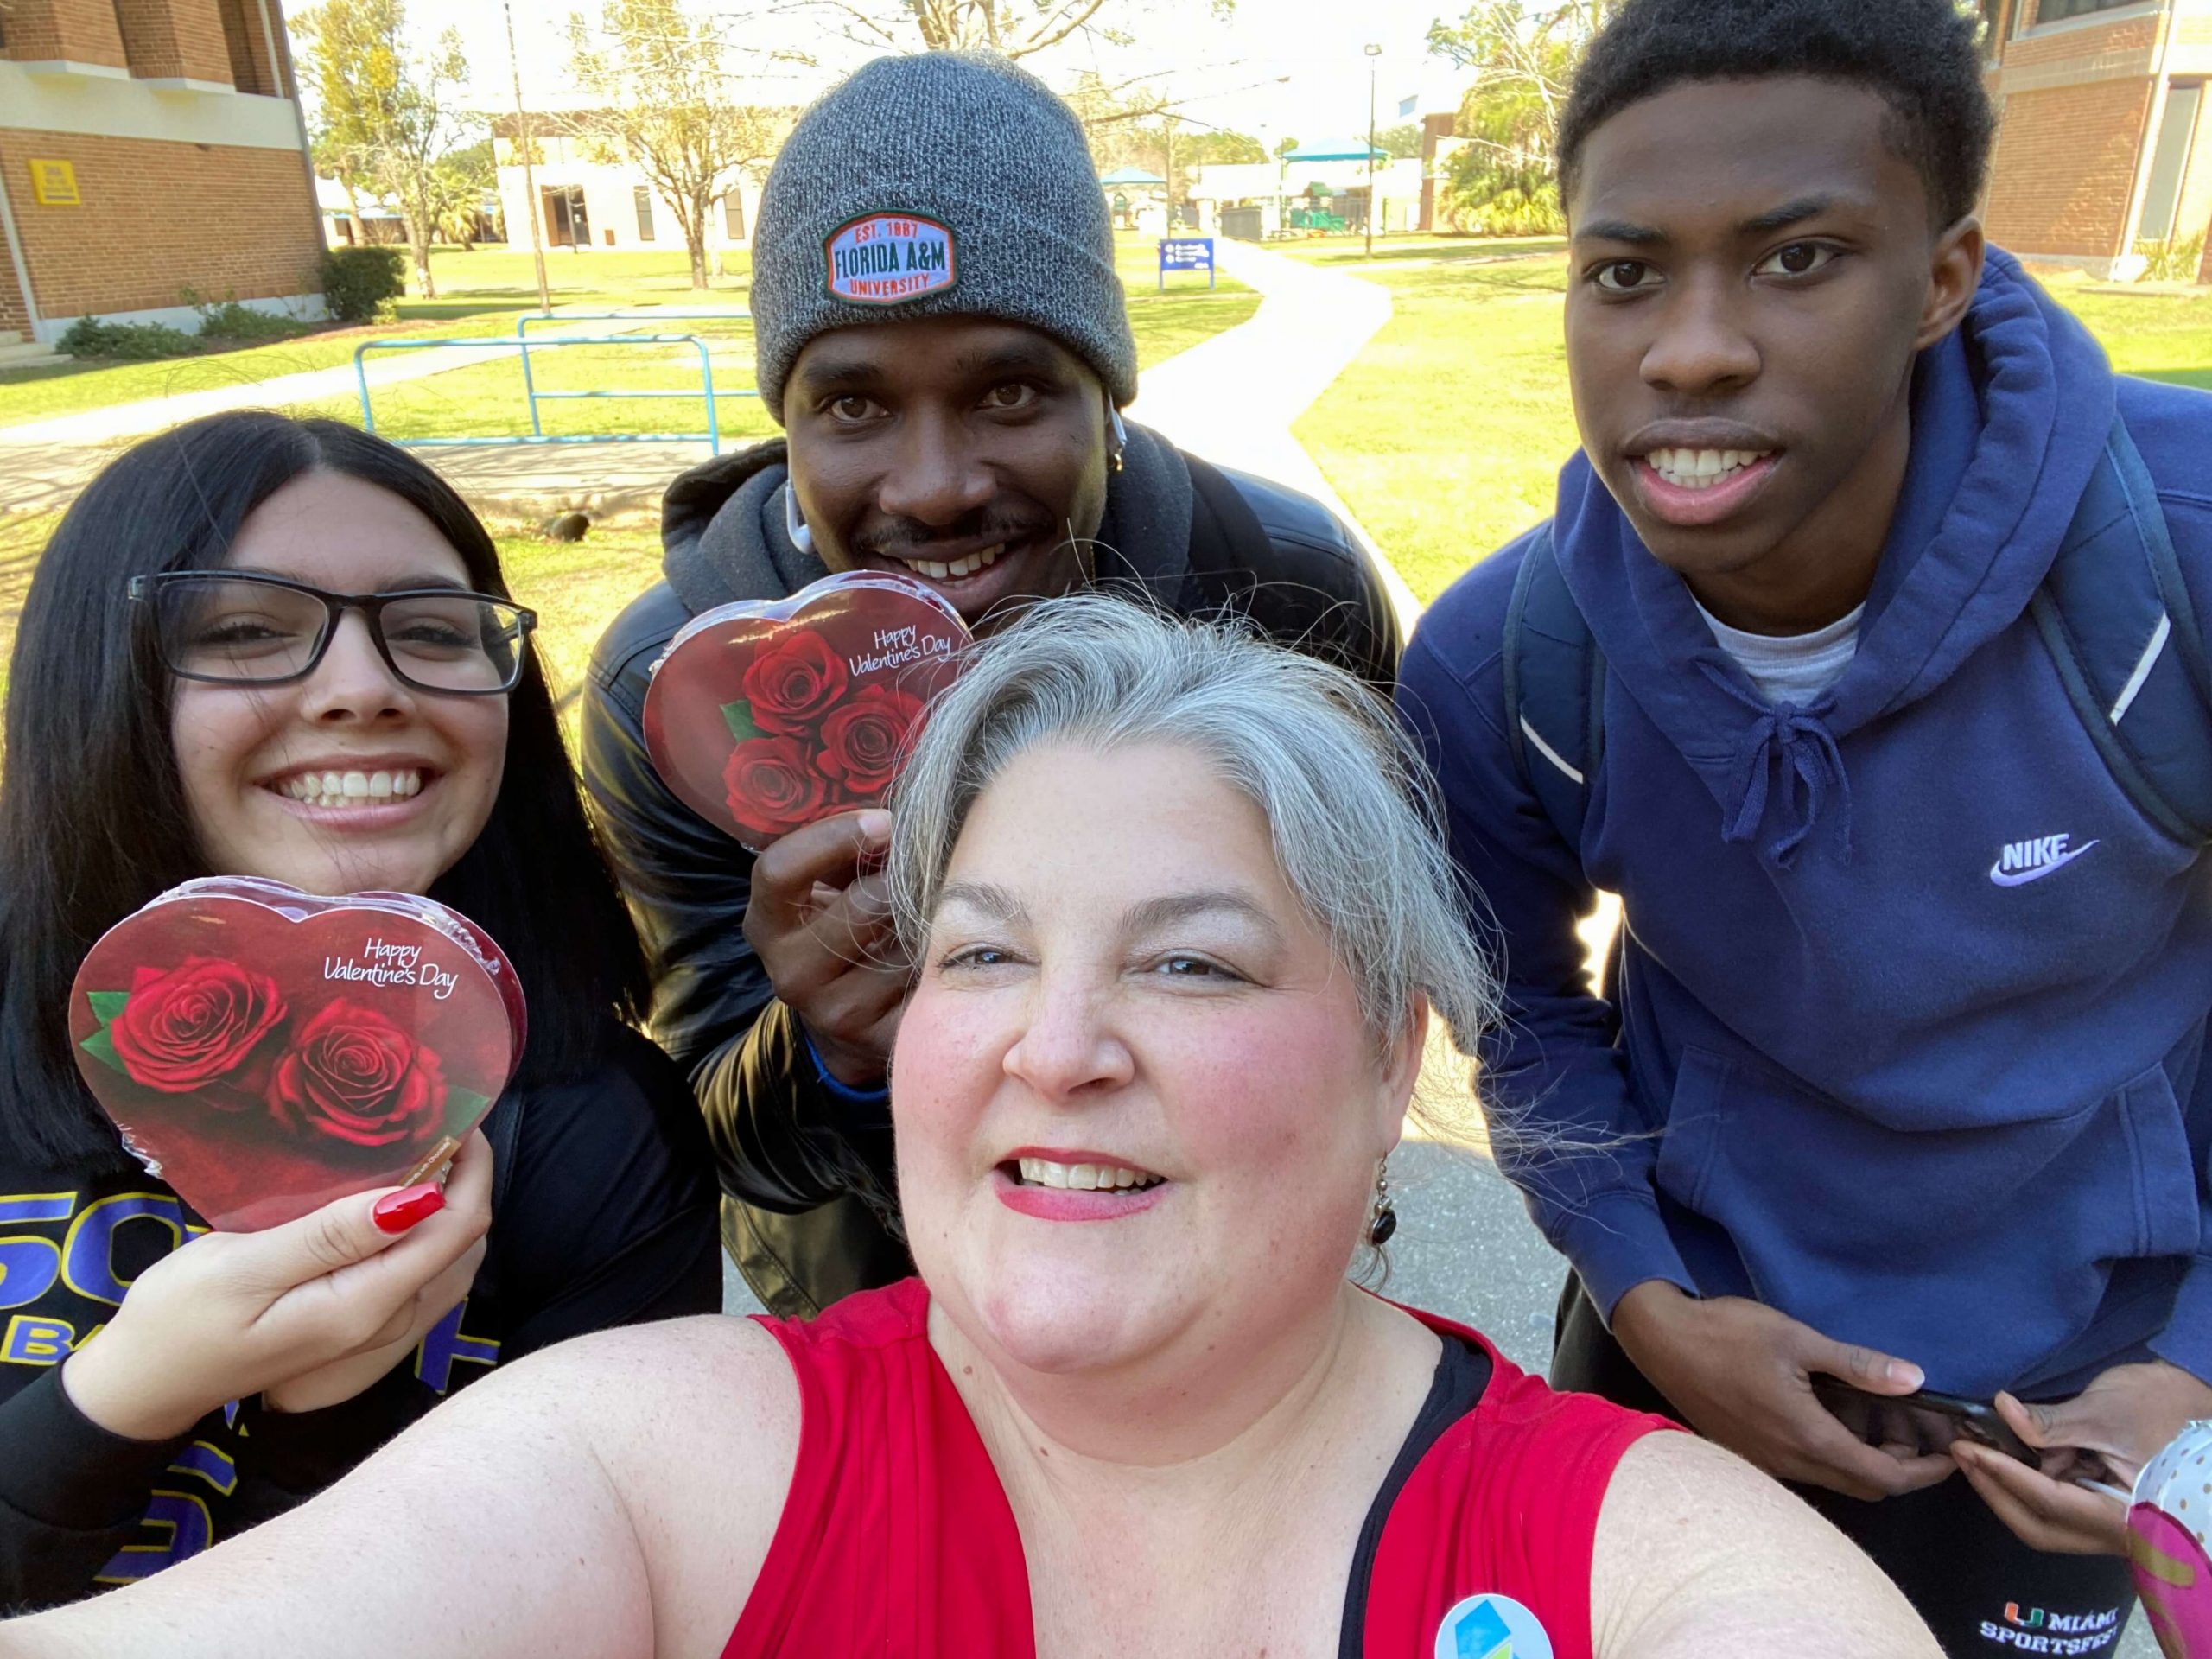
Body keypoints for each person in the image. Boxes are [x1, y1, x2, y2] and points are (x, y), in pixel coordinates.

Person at [0, 597, 1939, 1658]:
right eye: (983, 956)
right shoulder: (664, 1463)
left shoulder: (1639, 1563)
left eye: (1187, 968)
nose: (1054, 1047)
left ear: (1384, 1066)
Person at [1395, 0, 2212, 1652]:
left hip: (2078, 1397)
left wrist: (2188, 1366)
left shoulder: (2178, 556)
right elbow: (1527, 1020)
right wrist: (1649, 1300)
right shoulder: (1501, 665)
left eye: (1797, 257)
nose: (1690, 348)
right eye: (1624, 273)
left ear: (1944, 277)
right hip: (1694, 1341)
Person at [582, 49, 1403, 1318]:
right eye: (852, 405)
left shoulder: (1282, 589)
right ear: (785, 426)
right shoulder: (680, 697)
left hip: (1223, 1260)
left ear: (1109, 396)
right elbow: (718, 1131)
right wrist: (831, 1051)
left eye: (1010, 389)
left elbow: (1363, 984)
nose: (934, 485)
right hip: (872, 1286)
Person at [0, 412, 721, 1611]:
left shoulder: (599, 1135)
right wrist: (119, 1400)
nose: (365, 690)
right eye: (244, 632)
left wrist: (333, 1415)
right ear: (99, 681)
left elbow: (566, 1608)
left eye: (432, 632)